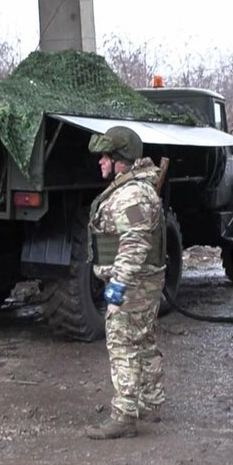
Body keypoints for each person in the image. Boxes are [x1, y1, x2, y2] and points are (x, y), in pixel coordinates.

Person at [84, 126, 167, 440]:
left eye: (106, 156)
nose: (101, 162)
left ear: (121, 160)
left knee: (122, 345)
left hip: (134, 283)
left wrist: (118, 283)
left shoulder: (131, 194)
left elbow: (134, 243)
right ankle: (151, 402)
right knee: (143, 341)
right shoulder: (134, 188)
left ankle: (124, 415)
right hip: (144, 281)